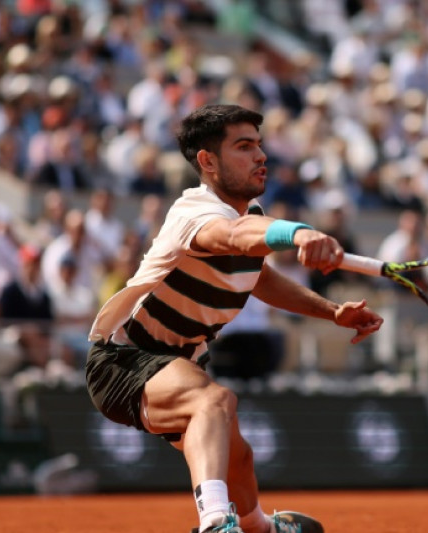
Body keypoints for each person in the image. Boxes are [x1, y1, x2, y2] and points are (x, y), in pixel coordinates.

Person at [85, 104, 384, 533]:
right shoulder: (196, 214)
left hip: (179, 363)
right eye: (244, 147)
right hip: (124, 359)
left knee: (237, 457)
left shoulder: (251, 216)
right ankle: (215, 524)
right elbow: (233, 239)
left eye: (260, 145)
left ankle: (260, 527)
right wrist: (298, 232)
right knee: (215, 401)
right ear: (207, 162)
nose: (261, 156)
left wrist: (332, 312)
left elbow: (257, 275)